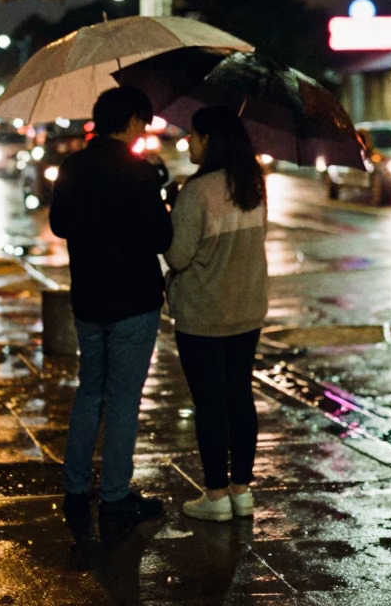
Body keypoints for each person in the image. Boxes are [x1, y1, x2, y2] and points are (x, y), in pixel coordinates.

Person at [49, 87, 174, 520]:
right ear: (132, 121)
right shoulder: (139, 173)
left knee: (90, 392)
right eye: (144, 121)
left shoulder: (73, 166)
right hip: (133, 300)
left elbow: (59, 223)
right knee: (123, 399)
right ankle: (117, 495)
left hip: (88, 296)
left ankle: (76, 487)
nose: (146, 128)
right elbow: (162, 238)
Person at [165, 106, 269, 522]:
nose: (188, 141)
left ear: (211, 141)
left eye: (193, 134)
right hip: (246, 310)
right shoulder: (253, 185)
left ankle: (215, 495)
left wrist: (172, 211)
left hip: (203, 315)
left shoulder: (197, 191)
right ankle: (242, 491)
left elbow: (177, 255)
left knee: (210, 405)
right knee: (240, 399)